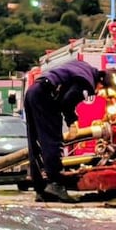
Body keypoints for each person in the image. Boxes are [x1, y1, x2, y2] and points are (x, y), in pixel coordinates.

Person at [23, 59, 106, 203]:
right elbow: (67, 101)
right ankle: (56, 184)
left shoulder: (82, 66)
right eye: (101, 88)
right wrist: (72, 122)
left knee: (35, 142)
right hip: (45, 95)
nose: (98, 92)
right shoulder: (87, 81)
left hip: (33, 91)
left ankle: (40, 189)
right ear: (101, 81)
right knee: (52, 141)